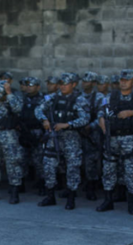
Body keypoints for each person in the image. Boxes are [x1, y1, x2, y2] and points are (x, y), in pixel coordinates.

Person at [96, 69, 133, 215]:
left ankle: (131, 203)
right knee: (108, 170)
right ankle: (108, 200)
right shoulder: (111, 96)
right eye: (122, 80)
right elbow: (101, 110)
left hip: (129, 138)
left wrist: (132, 112)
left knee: (131, 171)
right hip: (112, 138)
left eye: (127, 80)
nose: (124, 82)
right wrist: (101, 118)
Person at [35, 73, 90, 210]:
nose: (63, 87)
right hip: (54, 137)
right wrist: (44, 119)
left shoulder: (79, 99)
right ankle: (50, 196)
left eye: (66, 84)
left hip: (71, 138)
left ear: (73, 85)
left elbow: (85, 118)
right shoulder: (52, 98)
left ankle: (71, 198)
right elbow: (38, 109)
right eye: (61, 84)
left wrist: (68, 124)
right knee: (48, 165)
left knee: (72, 167)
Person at [80, 71, 105, 201]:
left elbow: (102, 115)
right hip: (78, 132)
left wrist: (91, 126)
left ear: (94, 83)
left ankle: (92, 187)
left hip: (92, 134)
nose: (84, 84)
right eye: (83, 81)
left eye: (87, 81)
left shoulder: (99, 97)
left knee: (92, 161)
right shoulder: (78, 96)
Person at [18, 77, 45, 195]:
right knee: (21, 159)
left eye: (32, 85)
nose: (29, 87)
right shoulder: (21, 98)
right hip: (23, 132)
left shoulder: (43, 99)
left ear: (38, 87)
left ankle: (42, 183)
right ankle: (21, 183)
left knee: (39, 160)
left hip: (37, 132)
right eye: (27, 85)